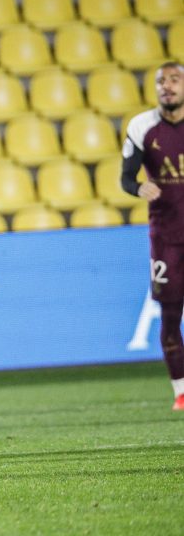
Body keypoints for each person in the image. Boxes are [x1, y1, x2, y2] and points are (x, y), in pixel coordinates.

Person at [121, 61, 184, 411]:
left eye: (175, 80)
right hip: (166, 237)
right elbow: (126, 178)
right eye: (161, 81)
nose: (167, 86)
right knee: (171, 314)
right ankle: (181, 391)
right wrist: (138, 187)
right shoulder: (142, 126)